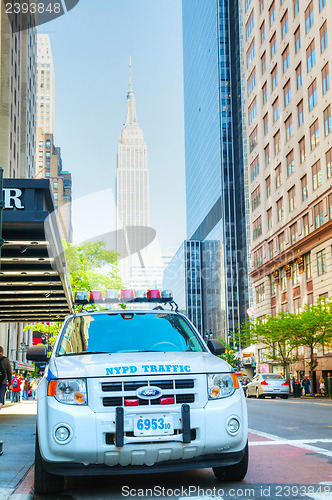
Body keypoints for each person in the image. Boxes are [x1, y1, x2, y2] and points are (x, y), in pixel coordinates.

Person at [0, 346, 12, 412]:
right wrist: (10, 382)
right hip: (2, 381)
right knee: (0, 399)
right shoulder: (5, 360)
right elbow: (9, 372)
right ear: (2, 352)